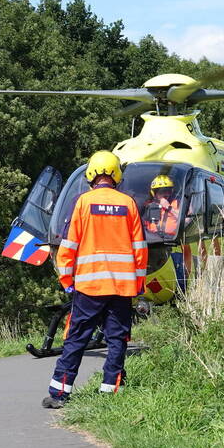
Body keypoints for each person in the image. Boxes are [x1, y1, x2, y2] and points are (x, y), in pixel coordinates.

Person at [42, 150, 148, 408]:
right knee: (117, 339)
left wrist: (67, 282)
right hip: (121, 287)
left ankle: (60, 393)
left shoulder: (83, 202)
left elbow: (68, 247)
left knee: (76, 338)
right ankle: (109, 391)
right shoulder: (129, 204)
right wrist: (137, 286)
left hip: (89, 286)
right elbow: (140, 249)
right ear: (116, 175)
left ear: (91, 174)